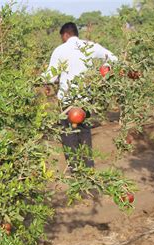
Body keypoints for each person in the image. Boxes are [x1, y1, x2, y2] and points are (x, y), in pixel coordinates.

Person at [42, 22, 118, 171]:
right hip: (86, 101)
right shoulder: (90, 46)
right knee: (85, 134)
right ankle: (89, 169)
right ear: (76, 33)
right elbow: (114, 59)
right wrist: (104, 71)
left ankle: (75, 170)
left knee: (69, 136)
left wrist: (41, 81)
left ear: (65, 35)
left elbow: (50, 77)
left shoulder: (60, 50)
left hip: (67, 102)